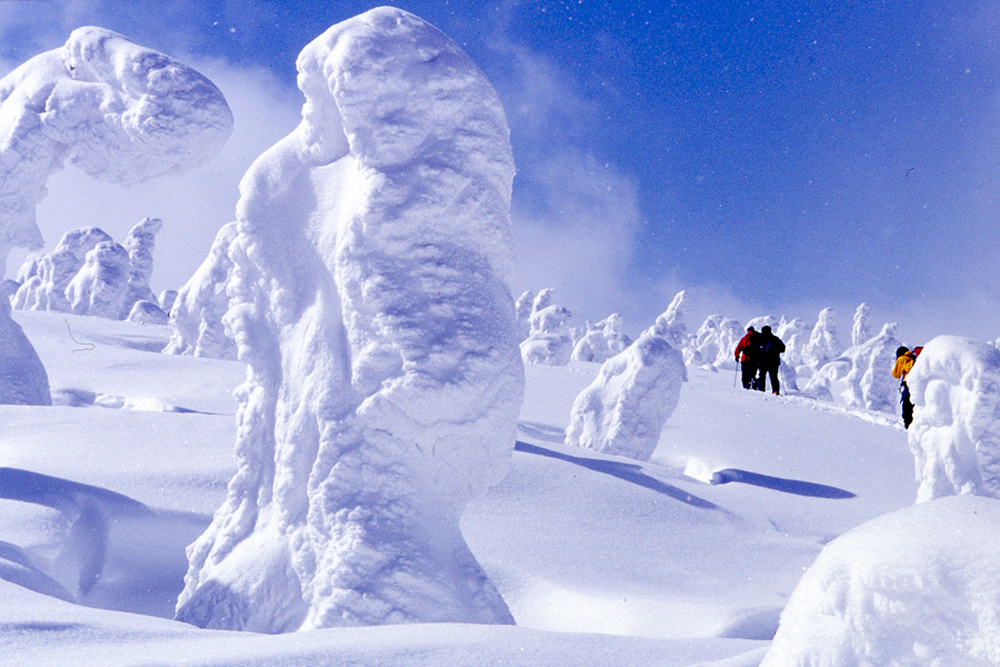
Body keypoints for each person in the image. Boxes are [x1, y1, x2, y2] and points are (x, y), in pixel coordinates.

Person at [892, 345, 922, 429]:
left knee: (907, 411)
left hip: (909, 386)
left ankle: (908, 430)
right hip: (919, 386)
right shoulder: (914, 358)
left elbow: (896, 374)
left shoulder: (902, 359)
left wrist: (897, 361)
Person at [754, 325, 786, 395]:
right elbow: (783, 348)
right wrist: (775, 351)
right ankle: (775, 391)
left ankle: (761, 390)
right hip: (774, 362)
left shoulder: (761, 339)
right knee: (773, 377)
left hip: (763, 361)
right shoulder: (775, 339)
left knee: (762, 376)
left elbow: (756, 349)